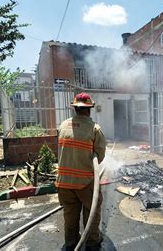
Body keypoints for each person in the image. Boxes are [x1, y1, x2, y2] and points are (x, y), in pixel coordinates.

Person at [56, 93, 107, 251]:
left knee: (70, 213)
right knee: (92, 209)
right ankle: (92, 240)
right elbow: (99, 156)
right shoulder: (94, 129)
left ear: (75, 108)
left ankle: (71, 241)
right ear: (89, 109)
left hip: (63, 182)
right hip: (85, 183)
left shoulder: (63, 126)